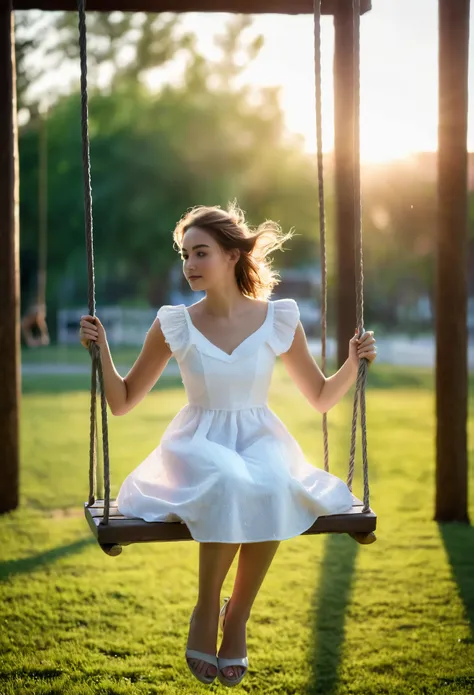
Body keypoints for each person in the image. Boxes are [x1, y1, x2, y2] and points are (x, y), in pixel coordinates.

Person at [79, 203, 377, 688]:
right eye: (185, 255)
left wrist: (353, 362)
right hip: (197, 442)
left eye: (201, 253)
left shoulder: (278, 318)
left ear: (233, 255)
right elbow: (123, 401)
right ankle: (205, 608)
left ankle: (235, 617)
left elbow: (320, 396)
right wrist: (102, 352)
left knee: (274, 481)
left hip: (260, 436)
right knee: (229, 477)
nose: (190, 265)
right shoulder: (174, 322)